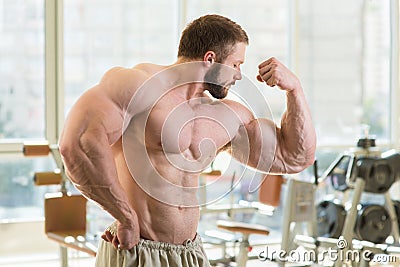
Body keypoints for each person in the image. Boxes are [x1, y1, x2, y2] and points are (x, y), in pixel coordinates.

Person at [59, 14, 316, 267]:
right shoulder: (139, 85)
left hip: (190, 253)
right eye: (236, 65)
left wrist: (294, 91)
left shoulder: (225, 115)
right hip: (136, 248)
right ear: (210, 59)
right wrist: (125, 219)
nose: (239, 76)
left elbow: (294, 157)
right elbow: (78, 144)